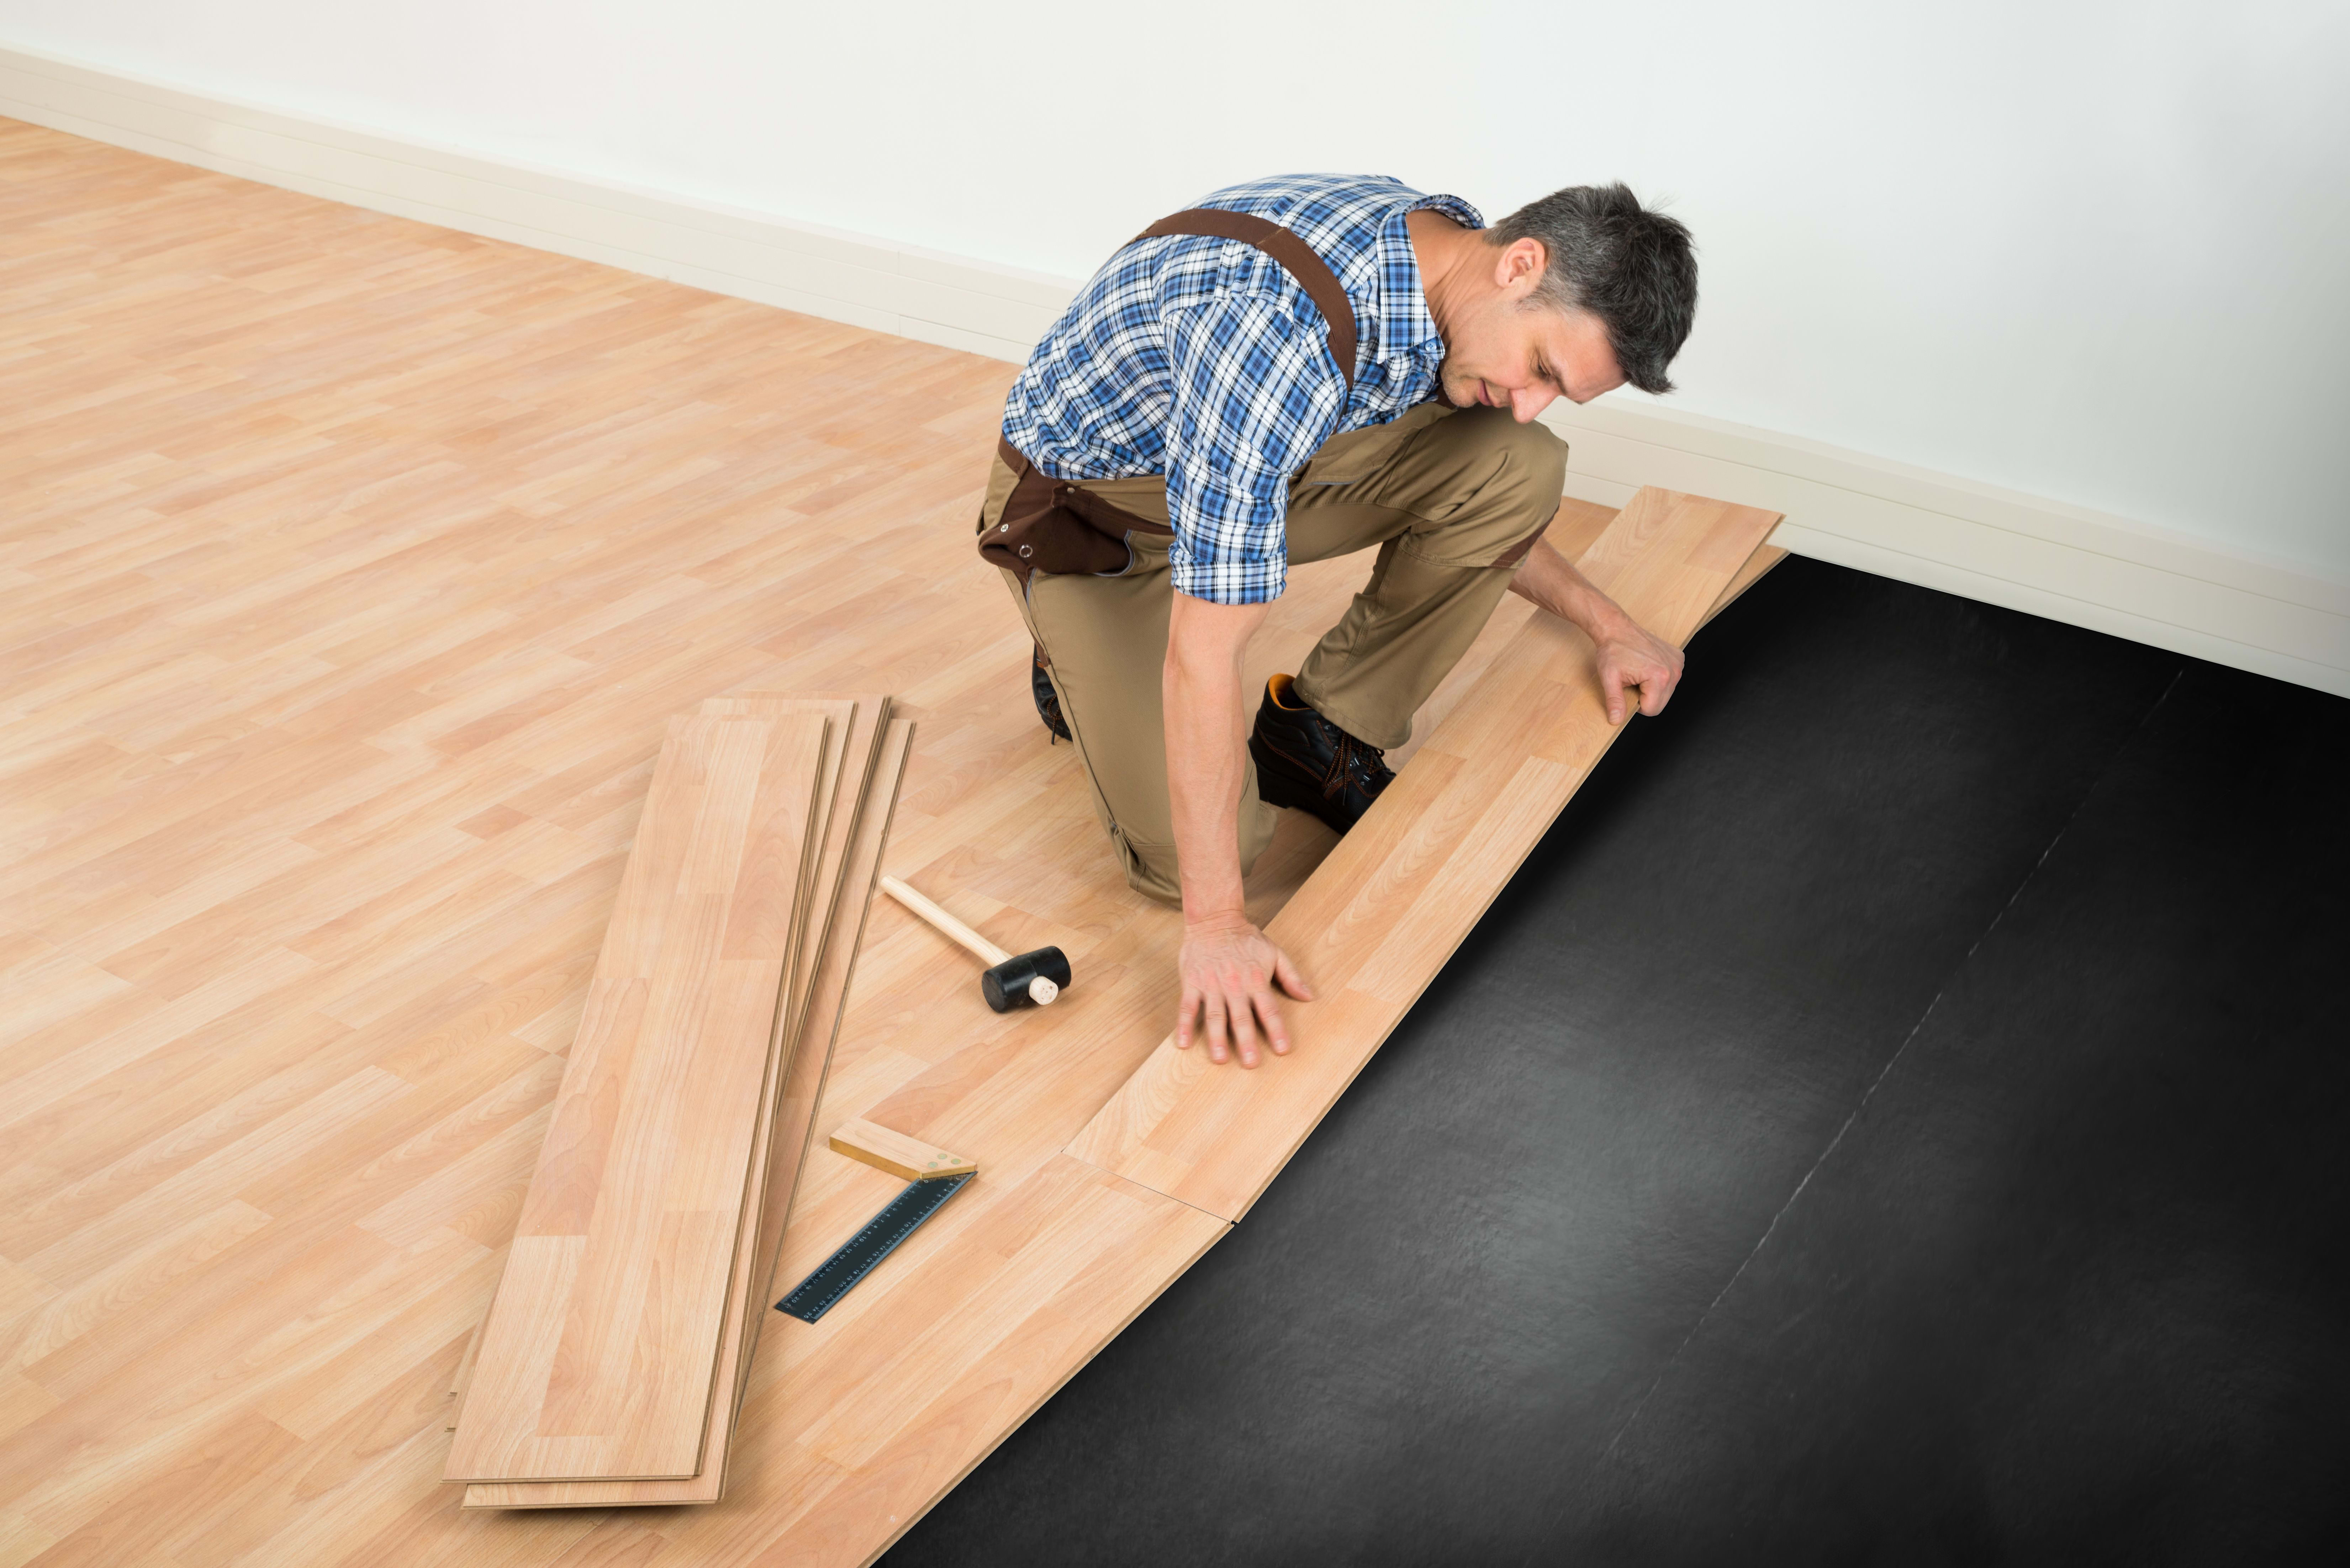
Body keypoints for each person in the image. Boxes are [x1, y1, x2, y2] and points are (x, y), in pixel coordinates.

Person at [977, 174, 1696, 1070]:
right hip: (1093, 526)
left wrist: (1608, 621)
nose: (1529, 399)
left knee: (1513, 462)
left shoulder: (1446, 269)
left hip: (1244, 464)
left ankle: (1320, 730)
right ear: (1521, 265)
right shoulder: (1274, 335)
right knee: (1200, 858)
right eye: (1544, 369)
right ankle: (1073, 662)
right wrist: (1221, 928)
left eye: (1560, 392)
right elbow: (1202, 659)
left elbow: (1491, 504)